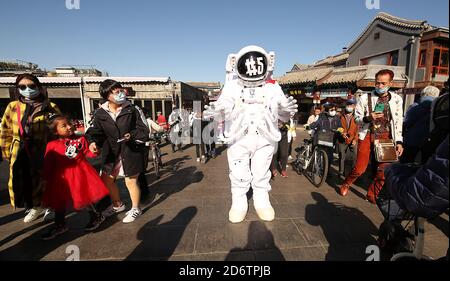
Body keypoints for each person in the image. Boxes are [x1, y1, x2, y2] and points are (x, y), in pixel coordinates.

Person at [204, 45, 298, 223]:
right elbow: (224, 104)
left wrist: (285, 109)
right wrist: (218, 110)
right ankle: (238, 201)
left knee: (261, 171)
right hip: (239, 137)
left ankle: (261, 199)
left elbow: (282, 111)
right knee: (238, 172)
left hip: (265, 137)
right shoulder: (232, 86)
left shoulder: (273, 87)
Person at [85, 79, 150, 223]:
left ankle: (135, 208)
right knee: (106, 180)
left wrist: (131, 135)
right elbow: (94, 132)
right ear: (107, 95)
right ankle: (117, 205)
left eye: (122, 90)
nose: (121, 93)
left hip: (131, 150)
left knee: (131, 181)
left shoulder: (132, 109)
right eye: (117, 92)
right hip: (111, 153)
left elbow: (143, 130)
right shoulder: (100, 113)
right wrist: (93, 142)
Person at [0, 74, 61, 223]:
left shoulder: (50, 107)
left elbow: (60, 130)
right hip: (20, 150)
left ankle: (50, 207)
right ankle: (35, 206)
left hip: (43, 150)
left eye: (31, 86)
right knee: (25, 180)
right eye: (22, 87)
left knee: (45, 180)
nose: (27, 89)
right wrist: (7, 153)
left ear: (39, 88)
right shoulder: (13, 107)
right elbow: (5, 131)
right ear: (18, 89)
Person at [339, 69, 404, 203]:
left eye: (383, 83)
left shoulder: (397, 99)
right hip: (368, 134)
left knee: (384, 170)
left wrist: (399, 141)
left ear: (390, 83)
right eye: (377, 83)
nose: (380, 86)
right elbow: (356, 119)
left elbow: (398, 122)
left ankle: (372, 194)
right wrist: (369, 117)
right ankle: (347, 183)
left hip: (386, 137)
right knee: (360, 168)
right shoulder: (364, 97)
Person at [41, 115, 110, 240]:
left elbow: (88, 153)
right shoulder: (51, 145)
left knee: (84, 198)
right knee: (59, 202)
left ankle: (96, 216)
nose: (69, 127)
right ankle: (60, 224)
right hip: (60, 178)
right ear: (55, 131)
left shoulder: (81, 139)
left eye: (69, 123)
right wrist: (46, 179)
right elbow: (48, 164)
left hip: (80, 175)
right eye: (64, 126)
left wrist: (94, 150)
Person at [401, 86, 440, 164]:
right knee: (425, 163)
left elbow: (407, 122)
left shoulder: (415, 106)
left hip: (412, 139)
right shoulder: (438, 106)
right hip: (430, 140)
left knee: (406, 162)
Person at [308, 102, 341, 169]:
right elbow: (316, 123)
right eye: (331, 110)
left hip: (331, 140)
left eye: (334, 110)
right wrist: (309, 126)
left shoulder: (337, 118)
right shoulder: (322, 116)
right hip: (321, 138)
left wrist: (340, 131)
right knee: (316, 154)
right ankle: (313, 167)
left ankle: (327, 172)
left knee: (329, 158)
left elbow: (340, 127)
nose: (333, 111)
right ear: (327, 110)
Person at [337, 99, 358, 179]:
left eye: (351, 105)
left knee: (354, 157)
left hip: (353, 139)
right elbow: (337, 127)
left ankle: (353, 173)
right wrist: (342, 133)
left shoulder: (357, 116)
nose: (349, 106)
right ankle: (341, 172)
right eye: (348, 105)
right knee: (342, 156)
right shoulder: (340, 116)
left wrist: (355, 139)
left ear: (354, 106)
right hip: (342, 139)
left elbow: (358, 129)